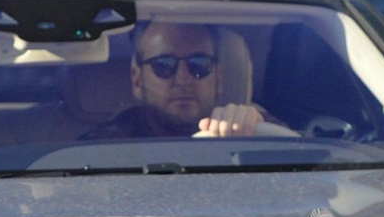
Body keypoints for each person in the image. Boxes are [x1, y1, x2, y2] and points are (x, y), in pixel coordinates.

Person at [85, 19, 280, 140]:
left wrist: (253, 130)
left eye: (199, 64)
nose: (183, 79)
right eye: (164, 65)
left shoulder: (250, 128)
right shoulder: (109, 147)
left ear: (218, 78)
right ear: (137, 81)